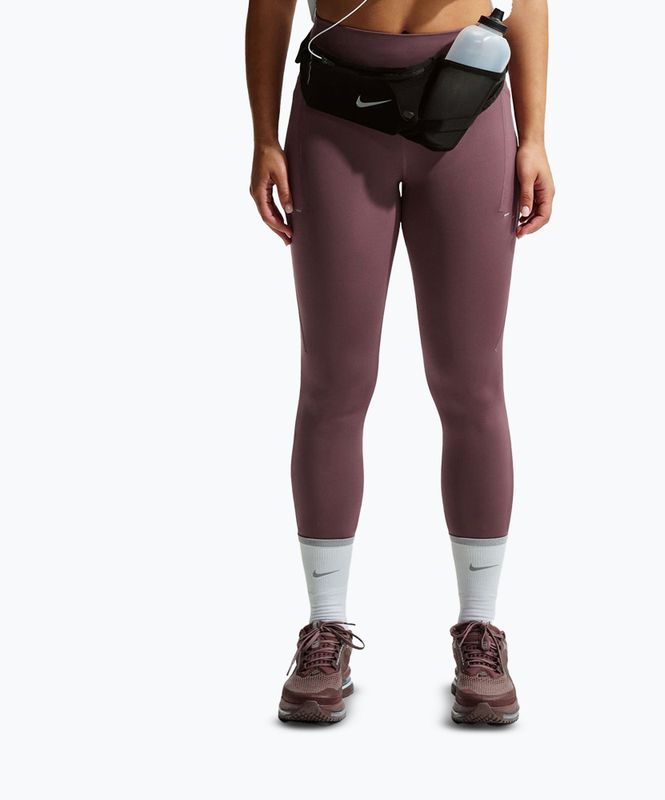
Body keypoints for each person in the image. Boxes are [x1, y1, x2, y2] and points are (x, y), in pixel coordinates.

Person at [245, 0, 554, 725]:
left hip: (467, 104)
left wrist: (536, 136)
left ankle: (480, 630)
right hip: (337, 111)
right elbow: (270, 5)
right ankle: (325, 627)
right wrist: (262, 136)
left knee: (471, 383)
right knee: (334, 380)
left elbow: (530, 1)